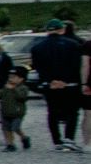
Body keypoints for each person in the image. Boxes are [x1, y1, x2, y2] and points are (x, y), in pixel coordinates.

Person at [31, 19, 83, 152]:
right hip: (70, 84)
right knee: (72, 112)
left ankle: (56, 140)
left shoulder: (37, 48)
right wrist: (65, 80)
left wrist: (51, 80)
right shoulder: (73, 45)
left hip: (50, 85)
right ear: (62, 30)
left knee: (52, 112)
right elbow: (76, 65)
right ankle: (69, 139)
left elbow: (38, 67)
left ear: (47, 30)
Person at [0, 69, 31, 152]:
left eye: (13, 77)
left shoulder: (23, 88)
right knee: (6, 129)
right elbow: (0, 94)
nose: (10, 79)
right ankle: (10, 144)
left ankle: (24, 137)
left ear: (21, 79)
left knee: (15, 127)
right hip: (5, 112)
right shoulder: (6, 87)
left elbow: (22, 97)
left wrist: (13, 89)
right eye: (10, 77)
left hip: (17, 113)